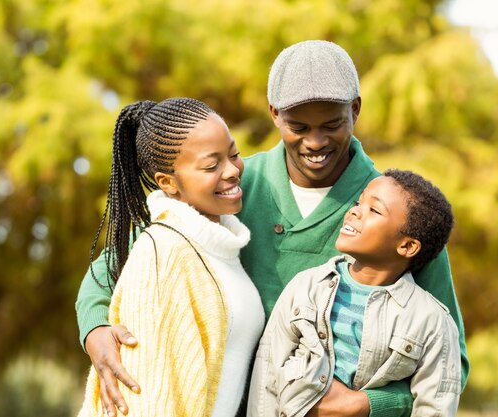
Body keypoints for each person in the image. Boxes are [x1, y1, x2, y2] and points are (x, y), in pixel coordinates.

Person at [76, 40, 469, 417]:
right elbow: (114, 266)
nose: (315, 142)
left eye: (331, 124)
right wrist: (96, 332)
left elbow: (450, 359)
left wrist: (367, 406)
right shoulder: (232, 188)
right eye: (298, 126)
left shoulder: (395, 214)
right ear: (274, 114)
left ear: (356, 110)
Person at [76, 97, 265, 417]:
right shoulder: (165, 252)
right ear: (168, 182)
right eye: (211, 165)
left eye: (233, 154)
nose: (233, 170)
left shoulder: (220, 245)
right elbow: (152, 399)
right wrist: (95, 330)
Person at [247, 169, 461, 417]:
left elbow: (436, 406)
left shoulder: (433, 321)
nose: (354, 211)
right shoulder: (305, 287)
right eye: (359, 202)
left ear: (407, 246)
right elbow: (268, 374)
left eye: (374, 210)